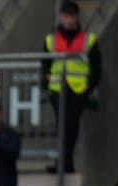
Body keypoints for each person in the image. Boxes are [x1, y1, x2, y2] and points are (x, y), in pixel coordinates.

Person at [42, 1, 100, 174]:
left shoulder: (88, 39)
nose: (68, 20)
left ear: (76, 18)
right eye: (66, 17)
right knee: (62, 126)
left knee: (70, 127)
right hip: (58, 88)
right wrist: (46, 84)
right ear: (61, 17)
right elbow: (45, 64)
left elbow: (96, 66)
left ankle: (65, 163)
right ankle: (65, 163)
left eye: (71, 17)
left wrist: (88, 88)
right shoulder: (51, 39)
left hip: (78, 89)